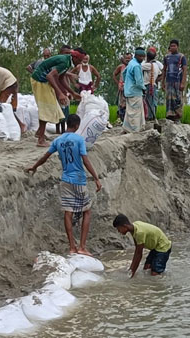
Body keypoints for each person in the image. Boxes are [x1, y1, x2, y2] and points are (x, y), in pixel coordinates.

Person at [25, 114, 102, 256]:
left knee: (68, 212)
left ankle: (72, 247)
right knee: (87, 211)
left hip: (65, 180)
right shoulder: (79, 139)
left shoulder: (58, 140)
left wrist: (34, 167)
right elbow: (85, 160)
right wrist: (96, 178)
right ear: (77, 125)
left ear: (67, 124)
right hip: (78, 179)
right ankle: (82, 246)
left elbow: (45, 157)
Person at [31, 47, 84, 146]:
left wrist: (72, 93)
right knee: (46, 108)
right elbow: (50, 76)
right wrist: (59, 93)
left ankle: (39, 133)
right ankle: (41, 140)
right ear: (75, 57)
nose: (80, 63)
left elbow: (61, 78)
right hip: (40, 80)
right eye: (80, 60)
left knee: (51, 107)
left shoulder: (67, 61)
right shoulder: (65, 61)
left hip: (44, 81)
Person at [161, 39, 187, 122]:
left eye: (174, 46)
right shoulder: (166, 57)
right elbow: (164, 70)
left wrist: (183, 83)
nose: (172, 47)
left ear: (177, 47)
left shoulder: (181, 57)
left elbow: (185, 70)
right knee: (169, 99)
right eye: (171, 46)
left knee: (177, 99)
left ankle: (177, 116)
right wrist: (162, 82)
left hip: (177, 81)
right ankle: (169, 116)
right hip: (169, 81)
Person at [122, 47, 146, 133]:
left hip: (128, 91)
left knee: (130, 111)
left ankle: (126, 128)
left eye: (143, 57)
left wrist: (127, 83)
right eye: (140, 56)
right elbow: (139, 81)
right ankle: (134, 130)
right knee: (135, 113)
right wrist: (144, 88)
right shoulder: (136, 66)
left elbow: (124, 73)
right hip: (135, 92)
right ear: (136, 55)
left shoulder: (131, 62)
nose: (142, 59)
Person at [141, 47, 163, 121]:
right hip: (153, 85)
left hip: (148, 85)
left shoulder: (148, 65)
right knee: (152, 102)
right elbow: (161, 73)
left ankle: (149, 117)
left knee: (148, 102)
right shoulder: (156, 65)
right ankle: (152, 116)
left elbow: (138, 67)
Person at [113, 53, 131, 122]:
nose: (127, 60)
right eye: (126, 59)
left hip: (129, 88)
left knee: (128, 104)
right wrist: (118, 83)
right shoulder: (121, 66)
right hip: (122, 88)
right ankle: (121, 119)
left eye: (129, 59)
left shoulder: (132, 66)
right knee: (121, 104)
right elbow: (114, 74)